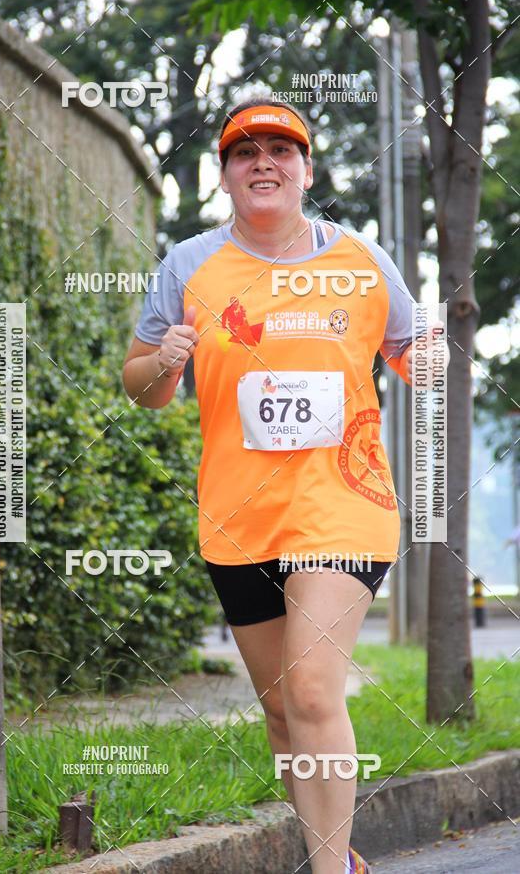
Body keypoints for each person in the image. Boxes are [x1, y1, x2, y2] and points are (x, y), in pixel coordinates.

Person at [123, 96, 446, 874]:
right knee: (279, 710)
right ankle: (340, 857)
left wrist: (435, 345)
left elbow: (417, 360)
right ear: (225, 175)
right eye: (244, 152)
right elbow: (140, 387)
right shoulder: (187, 265)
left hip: (344, 503)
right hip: (238, 515)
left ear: (305, 170)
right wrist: (163, 360)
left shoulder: (361, 258)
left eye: (280, 150)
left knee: (311, 695)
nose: (262, 162)